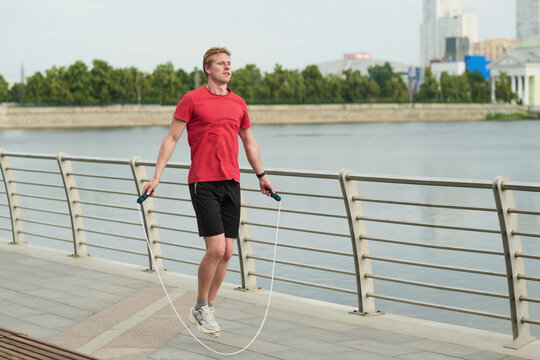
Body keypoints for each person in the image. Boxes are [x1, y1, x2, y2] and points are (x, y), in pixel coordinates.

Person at [141, 46, 274, 337]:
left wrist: (261, 175)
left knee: (227, 252)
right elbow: (171, 138)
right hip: (203, 182)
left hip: (232, 182)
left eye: (229, 63)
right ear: (208, 69)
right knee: (214, 249)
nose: (227, 67)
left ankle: (207, 307)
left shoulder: (239, 103)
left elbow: (249, 141)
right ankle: (201, 303)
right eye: (221, 64)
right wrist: (156, 177)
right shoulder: (192, 100)